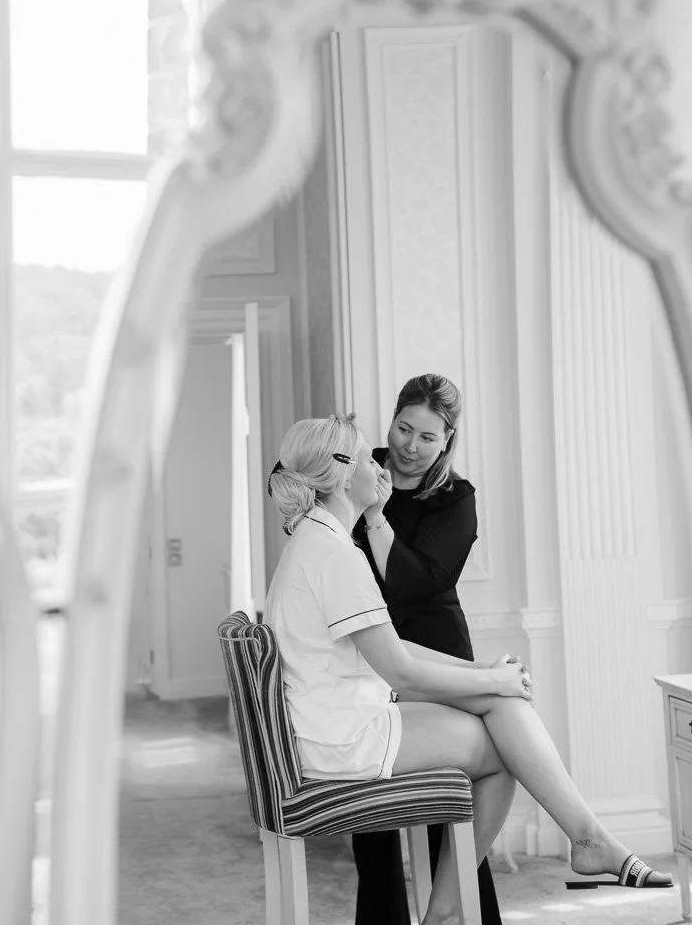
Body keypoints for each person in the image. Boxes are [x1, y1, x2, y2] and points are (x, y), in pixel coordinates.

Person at [264, 415, 670, 925]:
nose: (381, 463)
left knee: (501, 704)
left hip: (337, 724)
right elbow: (403, 674)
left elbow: (395, 647)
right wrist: (492, 681)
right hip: (343, 740)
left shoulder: (317, 542)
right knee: (502, 750)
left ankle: (586, 839)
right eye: (369, 457)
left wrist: (484, 673)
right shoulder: (334, 554)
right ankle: (458, 907)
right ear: (344, 475)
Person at [348, 374, 500, 925]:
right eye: (403, 428)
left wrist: (374, 514)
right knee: (372, 815)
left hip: (435, 653)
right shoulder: (358, 468)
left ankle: (456, 913)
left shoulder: (455, 499)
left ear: (448, 440)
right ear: (389, 420)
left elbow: (415, 585)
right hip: (366, 657)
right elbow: (287, 477)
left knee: (451, 808)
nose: (410, 446)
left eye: (428, 437)